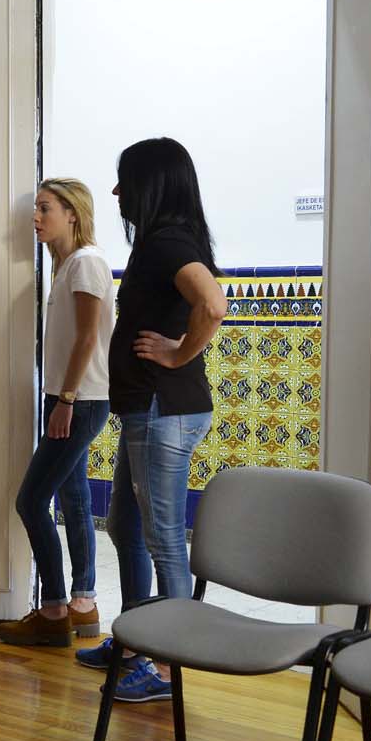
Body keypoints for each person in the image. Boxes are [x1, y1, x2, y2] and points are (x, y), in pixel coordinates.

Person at [75, 137, 227, 702]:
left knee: (164, 537)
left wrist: (178, 352)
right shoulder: (166, 241)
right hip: (149, 410)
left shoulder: (167, 242)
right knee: (124, 523)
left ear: (152, 184)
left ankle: (167, 667)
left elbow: (212, 304)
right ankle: (137, 640)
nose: (116, 192)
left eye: (125, 180)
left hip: (164, 410)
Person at [0, 179, 112, 647]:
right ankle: (83, 605)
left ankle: (52, 611)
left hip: (78, 400)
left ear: (72, 212)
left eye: (45, 208)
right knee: (75, 498)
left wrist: (65, 400)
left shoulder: (85, 263)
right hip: (73, 398)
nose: (35, 218)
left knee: (30, 501)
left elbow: (88, 338)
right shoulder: (66, 266)